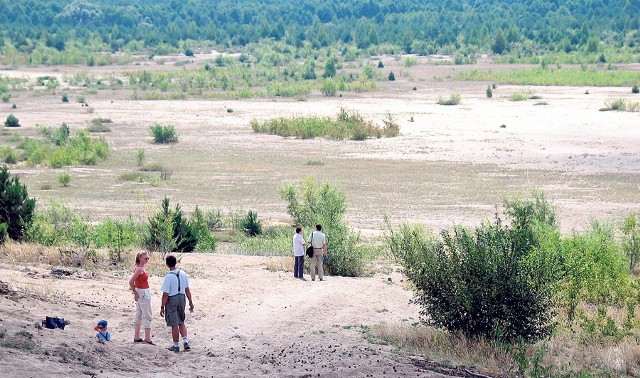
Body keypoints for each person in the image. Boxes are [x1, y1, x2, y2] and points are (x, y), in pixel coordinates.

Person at [160, 255, 194, 352]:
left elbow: (165, 294)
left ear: (167, 264)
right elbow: (187, 290)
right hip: (182, 298)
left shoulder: (168, 277)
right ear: (176, 262)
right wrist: (191, 302)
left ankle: (175, 345)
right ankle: (185, 341)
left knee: (174, 323)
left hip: (172, 299)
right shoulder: (183, 273)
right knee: (181, 321)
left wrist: (162, 306)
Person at [129, 251, 154, 344]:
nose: (147, 260)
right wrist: (135, 293)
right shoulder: (139, 269)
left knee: (139, 313)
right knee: (147, 314)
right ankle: (147, 338)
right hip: (143, 291)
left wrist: (136, 292)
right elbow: (131, 281)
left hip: (142, 291)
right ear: (140, 258)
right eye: (145, 258)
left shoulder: (141, 268)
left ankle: (137, 336)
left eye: (148, 258)